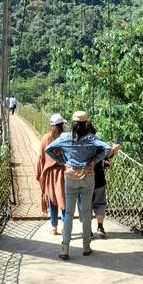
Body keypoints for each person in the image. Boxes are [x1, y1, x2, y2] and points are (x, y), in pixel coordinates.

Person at [45, 110, 110, 259]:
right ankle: (86, 246)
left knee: (68, 213)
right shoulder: (91, 138)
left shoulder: (64, 137)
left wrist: (63, 161)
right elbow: (107, 148)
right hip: (87, 177)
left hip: (71, 177)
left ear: (73, 123)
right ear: (86, 123)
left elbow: (48, 149)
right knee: (86, 212)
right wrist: (94, 161)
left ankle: (64, 248)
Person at [36, 113, 67, 235]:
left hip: (49, 173)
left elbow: (41, 157)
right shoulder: (65, 137)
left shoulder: (45, 138)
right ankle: (65, 226)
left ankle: (54, 227)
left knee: (52, 199)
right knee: (63, 200)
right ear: (61, 125)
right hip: (63, 172)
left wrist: (40, 172)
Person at [92, 140, 121, 237]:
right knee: (100, 204)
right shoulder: (98, 144)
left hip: (84, 181)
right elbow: (106, 155)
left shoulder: (79, 144)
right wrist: (114, 149)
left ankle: (87, 231)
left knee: (85, 206)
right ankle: (100, 227)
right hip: (99, 181)